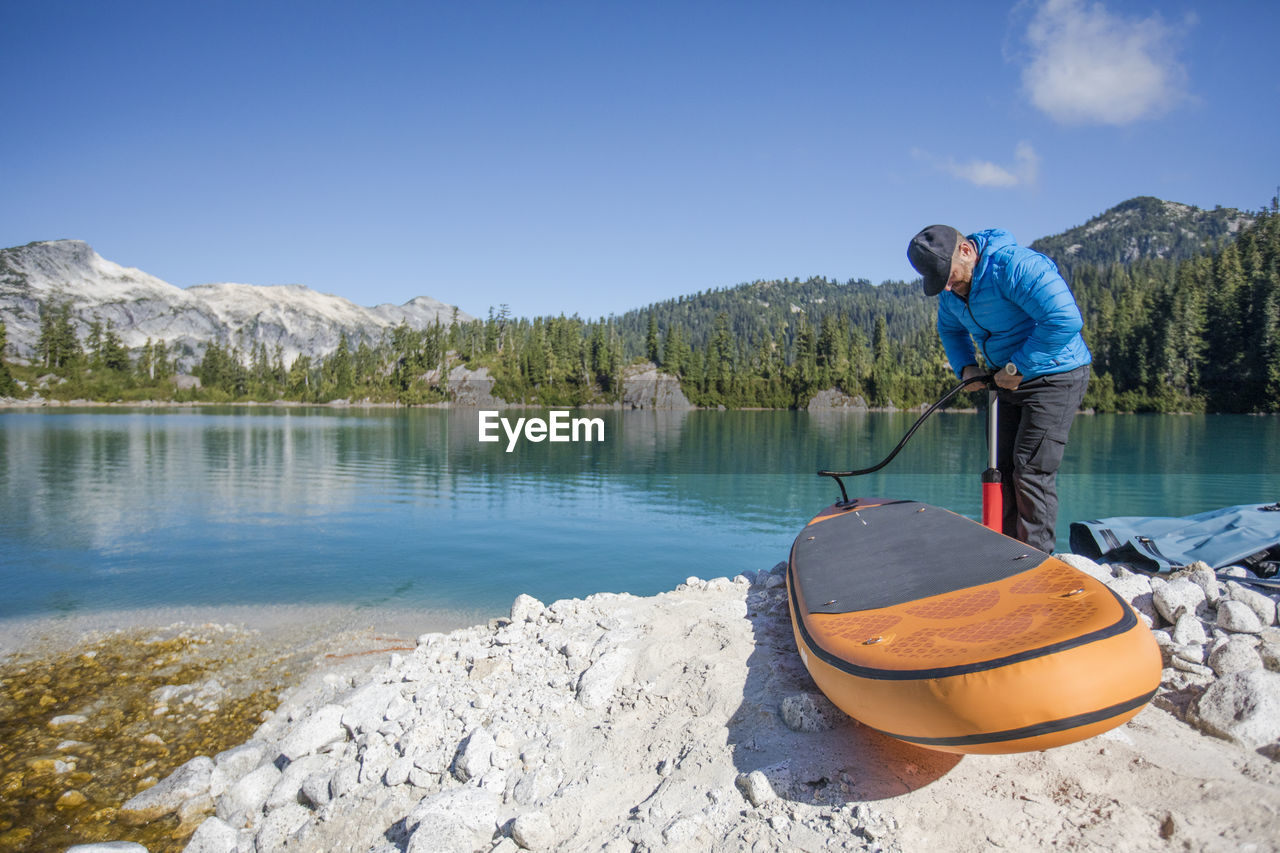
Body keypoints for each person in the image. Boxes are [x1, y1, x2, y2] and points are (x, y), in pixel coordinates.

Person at [907, 224, 1091, 553]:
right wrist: (966, 367)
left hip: (1056, 375)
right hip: (1007, 379)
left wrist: (1017, 366)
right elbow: (950, 330)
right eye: (939, 282)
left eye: (949, 276)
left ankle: (1035, 561)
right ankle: (1004, 553)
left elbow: (1064, 319)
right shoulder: (952, 295)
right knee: (1001, 467)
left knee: (1031, 468)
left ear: (965, 251)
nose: (947, 287)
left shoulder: (1015, 267)